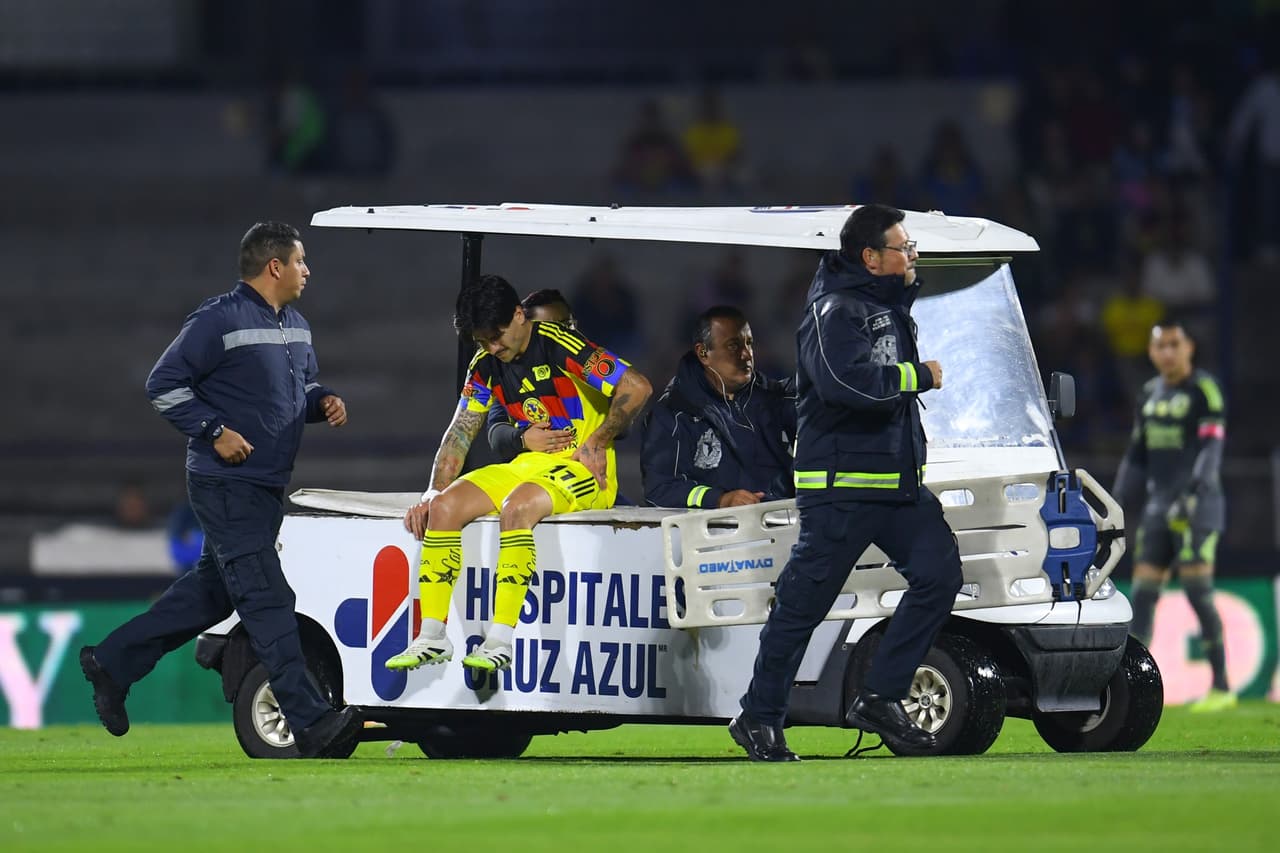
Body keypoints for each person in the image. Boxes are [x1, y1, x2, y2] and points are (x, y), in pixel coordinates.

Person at [79, 222, 362, 758]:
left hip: (264, 485)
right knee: (267, 598)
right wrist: (214, 430)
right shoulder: (216, 319)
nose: (308, 270)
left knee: (211, 594)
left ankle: (111, 663)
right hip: (225, 482)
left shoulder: (297, 326)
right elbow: (162, 384)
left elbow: (298, 389)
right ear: (275, 267)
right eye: (301, 261)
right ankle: (311, 722)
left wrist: (323, 401)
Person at [731, 204, 961, 761]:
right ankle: (759, 717)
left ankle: (879, 697)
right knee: (802, 607)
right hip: (842, 489)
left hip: (894, 485)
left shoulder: (880, 307)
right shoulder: (834, 310)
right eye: (903, 247)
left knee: (940, 575)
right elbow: (844, 385)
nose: (912, 255)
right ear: (870, 256)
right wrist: (919, 377)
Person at [389, 274, 652, 673]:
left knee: (517, 507)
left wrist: (598, 440)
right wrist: (430, 491)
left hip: (578, 470)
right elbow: (461, 431)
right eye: (482, 342)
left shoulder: (560, 344)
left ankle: (500, 640)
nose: (492, 347)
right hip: (526, 468)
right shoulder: (486, 364)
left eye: (496, 336)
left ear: (518, 315)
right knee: (443, 507)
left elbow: (637, 386)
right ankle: (432, 636)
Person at [1114, 320, 1232, 712]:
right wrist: (1115, 501)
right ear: (1151, 353)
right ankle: (1133, 688)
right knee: (1144, 596)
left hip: (1197, 508)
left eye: (1174, 344)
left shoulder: (1204, 390)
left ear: (1189, 348)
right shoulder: (1148, 393)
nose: (1167, 352)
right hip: (1158, 509)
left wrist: (1194, 493)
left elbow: (1211, 451)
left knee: (1198, 593)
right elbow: (1136, 455)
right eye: (1160, 346)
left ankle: (1222, 687)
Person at [640, 306, 796, 508]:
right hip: (715, 534)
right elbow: (659, 489)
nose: (746, 355)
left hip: (783, 526)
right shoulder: (674, 414)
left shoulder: (774, 399)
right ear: (703, 353)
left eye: (749, 344)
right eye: (733, 346)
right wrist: (719, 500)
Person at [486, 289, 578, 461]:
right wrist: (523, 438)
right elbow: (497, 433)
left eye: (565, 326)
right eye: (545, 329)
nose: (556, 337)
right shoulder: (513, 380)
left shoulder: (587, 369)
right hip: (536, 472)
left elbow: (623, 422)